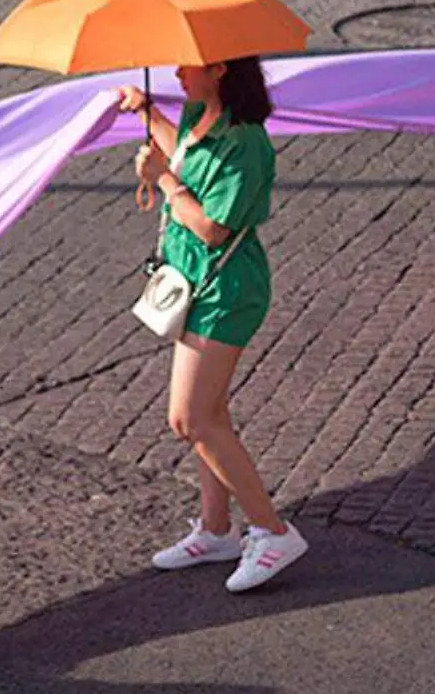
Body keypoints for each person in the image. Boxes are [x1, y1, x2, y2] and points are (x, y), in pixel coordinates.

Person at [116, 56, 308, 592]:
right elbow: (181, 145)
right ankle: (217, 530)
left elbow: (211, 229)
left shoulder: (247, 145)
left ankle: (273, 532)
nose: (178, 73)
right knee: (210, 413)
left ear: (220, 68)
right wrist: (148, 111)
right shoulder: (203, 113)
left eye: (188, 66)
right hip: (196, 284)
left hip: (225, 291)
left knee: (190, 419)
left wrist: (165, 181)